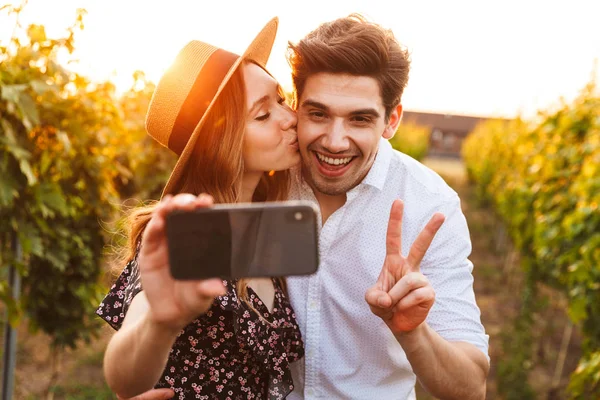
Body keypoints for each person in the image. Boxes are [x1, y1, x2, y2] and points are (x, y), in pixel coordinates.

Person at [97, 17, 305, 400]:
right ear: (219, 146)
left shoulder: (265, 224)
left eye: (281, 99)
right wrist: (162, 323)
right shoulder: (185, 231)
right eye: (263, 114)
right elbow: (124, 378)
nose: (291, 118)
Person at [284, 14, 490, 399]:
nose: (334, 141)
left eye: (359, 119)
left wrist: (412, 332)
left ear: (391, 120)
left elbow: (470, 387)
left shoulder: (430, 204)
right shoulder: (265, 178)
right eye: (318, 113)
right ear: (296, 107)